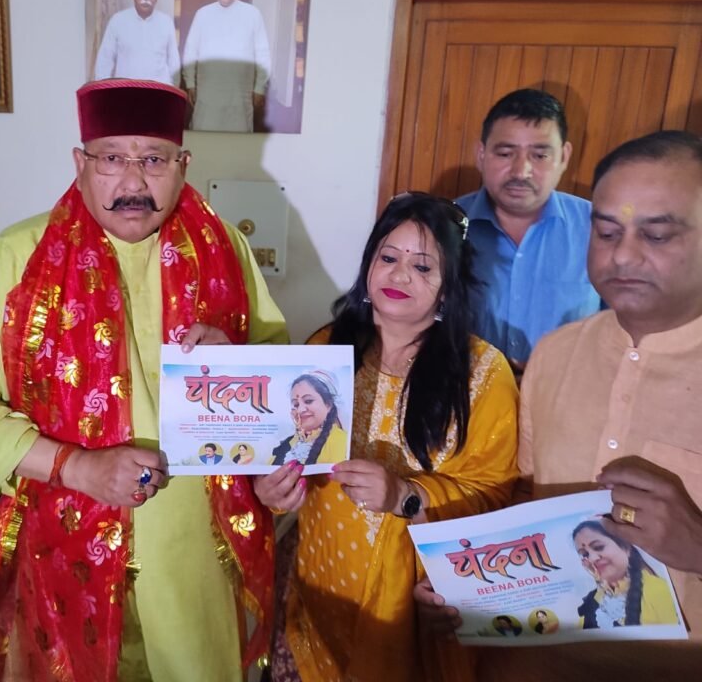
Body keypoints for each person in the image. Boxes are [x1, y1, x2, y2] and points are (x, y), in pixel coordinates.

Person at [0, 78, 289, 682]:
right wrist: (79, 467)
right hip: (63, 551)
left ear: (183, 165)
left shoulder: (225, 249)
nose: (132, 182)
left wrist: (235, 360)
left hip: (195, 558)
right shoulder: (18, 257)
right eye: (112, 159)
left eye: (153, 160)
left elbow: (279, 386)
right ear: (80, 163)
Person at [417, 130, 702, 678]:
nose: (623, 255)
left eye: (657, 235)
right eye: (607, 231)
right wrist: (470, 584)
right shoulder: (555, 354)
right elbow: (528, 500)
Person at [256, 192, 519, 682]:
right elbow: (288, 453)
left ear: (449, 286)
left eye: (422, 267)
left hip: (414, 610)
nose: (399, 276)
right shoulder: (326, 347)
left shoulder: (483, 373)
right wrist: (273, 492)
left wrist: (404, 495)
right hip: (316, 589)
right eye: (389, 258)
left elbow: (493, 494)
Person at [456, 89, 601, 372]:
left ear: (564, 157)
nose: (521, 171)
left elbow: (626, 328)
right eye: (505, 153)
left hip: (566, 394)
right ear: (481, 155)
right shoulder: (442, 226)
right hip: (463, 392)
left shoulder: (601, 229)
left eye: (540, 155)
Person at [182, 0, 271, 133]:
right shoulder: (202, 14)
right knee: (205, 135)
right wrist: (190, 84)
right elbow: (190, 51)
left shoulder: (253, 14)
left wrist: (259, 87)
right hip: (208, 93)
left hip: (239, 95)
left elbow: (263, 53)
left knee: (238, 137)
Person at [573, 519, 679, 628]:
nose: (592, 558)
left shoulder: (658, 591)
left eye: (598, 547)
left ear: (626, 547)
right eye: (585, 554)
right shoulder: (592, 600)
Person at [93, 0, 180, 85]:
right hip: (126, 91)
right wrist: (102, 91)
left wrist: (173, 89)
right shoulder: (118, 21)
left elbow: (174, 63)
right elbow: (104, 61)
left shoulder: (166, 23)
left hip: (157, 92)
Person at [269, 371, 347, 466]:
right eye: (296, 404)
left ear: (328, 405)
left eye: (308, 401)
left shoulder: (340, 441)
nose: (300, 410)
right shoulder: (287, 444)